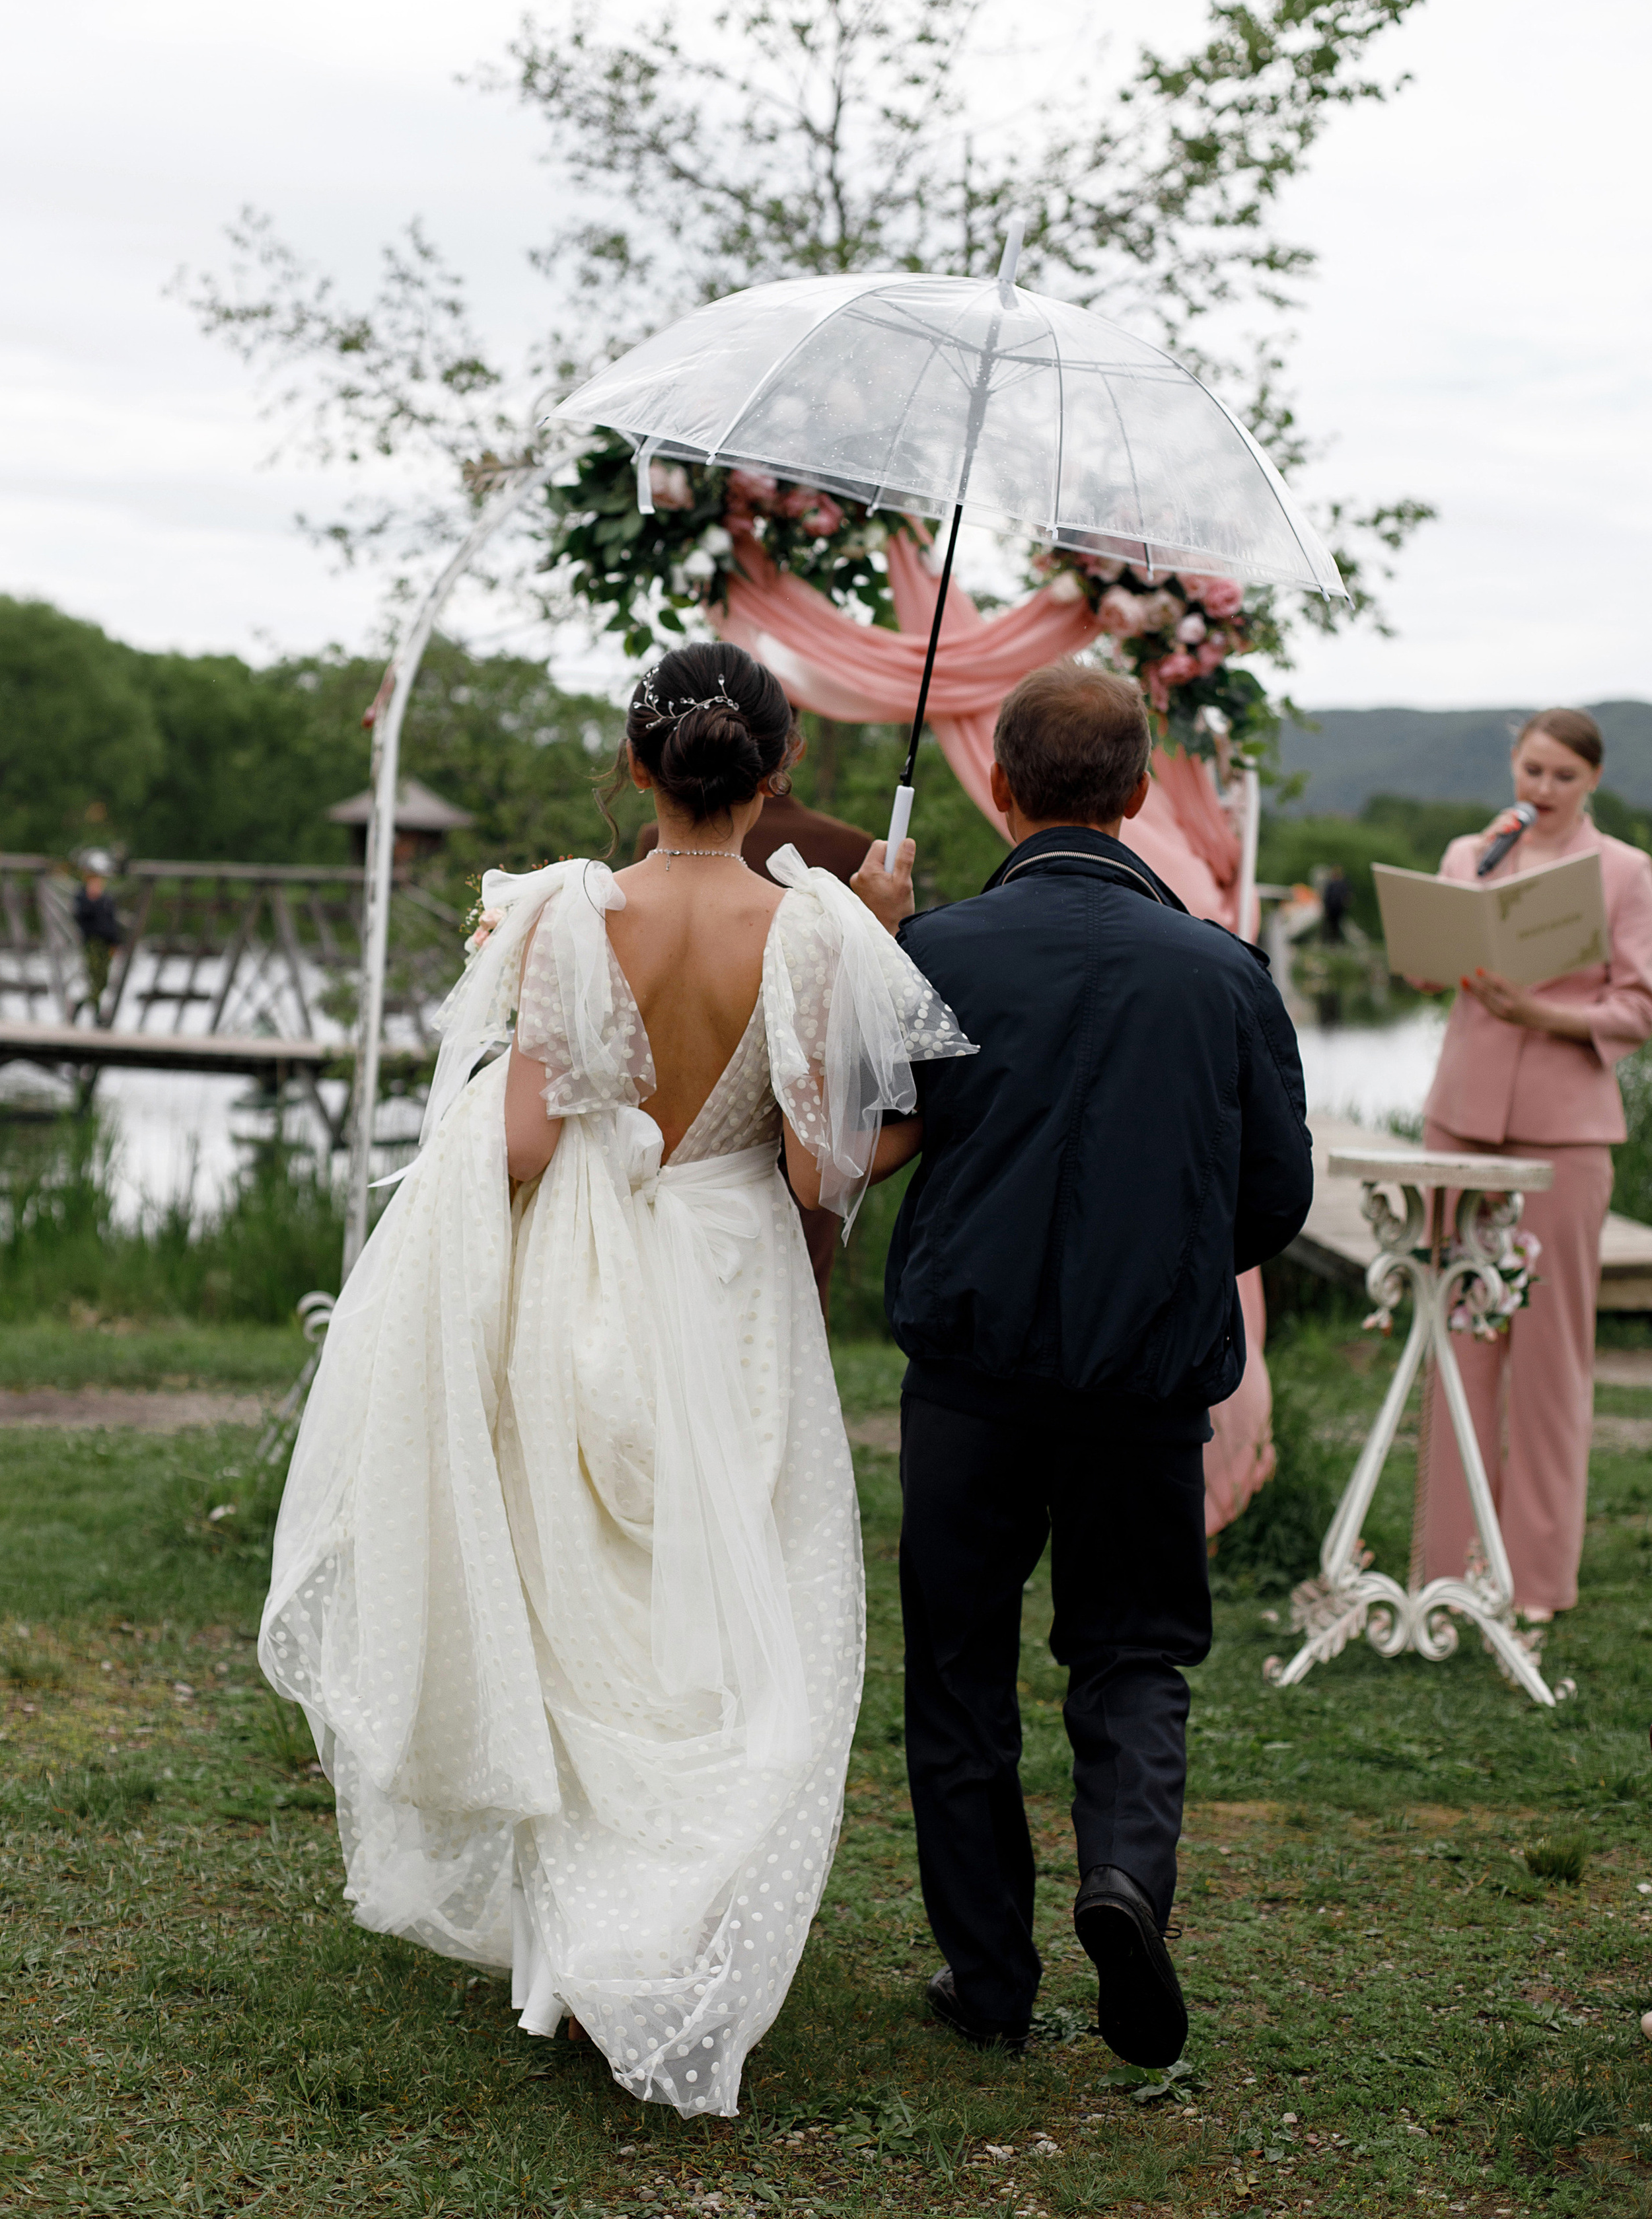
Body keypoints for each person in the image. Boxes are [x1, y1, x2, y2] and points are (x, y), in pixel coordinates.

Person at [258, 642, 972, 2118]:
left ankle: (591, 1940)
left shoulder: (561, 914)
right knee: (735, 1604)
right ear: (777, 775)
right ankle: (674, 1919)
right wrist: (879, 980)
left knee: (580, 1603)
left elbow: (517, 1146)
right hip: (734, 1287)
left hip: (588, 1285)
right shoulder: (822, 930)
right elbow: (811, 1167)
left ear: (634, 768)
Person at [865, 662, 1312, 2066]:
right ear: (1136, 795)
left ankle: (987, 1981)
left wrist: (869, 944)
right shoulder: (1223, 971)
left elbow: (865, 1135)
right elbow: (1274, 1197)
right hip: (1144, 1385)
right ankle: (1122, 1878)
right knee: (1131, 1655)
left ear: (999, 785)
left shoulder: (935, 951)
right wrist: (1172, 1261)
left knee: (956, 1669)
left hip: (970, 1380)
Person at [1414, 708, 1652, 1622]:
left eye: (1560, 776)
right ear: (1512, 765)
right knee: (1457, 1336)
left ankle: (1540, 1582)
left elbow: (1638, 1006)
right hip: (1460, 1119)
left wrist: (1542, 1013)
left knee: (1551, 1355)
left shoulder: (1626, 872)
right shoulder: (1469, 851)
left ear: (1591, 780)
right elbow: (1429, 968)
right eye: (1530, 770)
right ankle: (1449, 1567)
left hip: (1567, 1131)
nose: (1541, 790)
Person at [636, 777, 875, 1317]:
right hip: (792, 1125)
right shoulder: (848, 848)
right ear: (789, 755)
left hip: (662, 1136)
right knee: (789, 1297)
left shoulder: (649, 847)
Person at [73, 850, 126, 1018]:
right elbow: (80, 918)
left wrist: (116, 943)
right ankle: (97, 1015)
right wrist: (91, 900)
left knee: (103, 980)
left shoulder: (107, 899)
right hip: (93, 943)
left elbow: (111, 923)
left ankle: (82, 1006)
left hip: (107, 943)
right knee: (95, 978)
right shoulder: (82, 897)